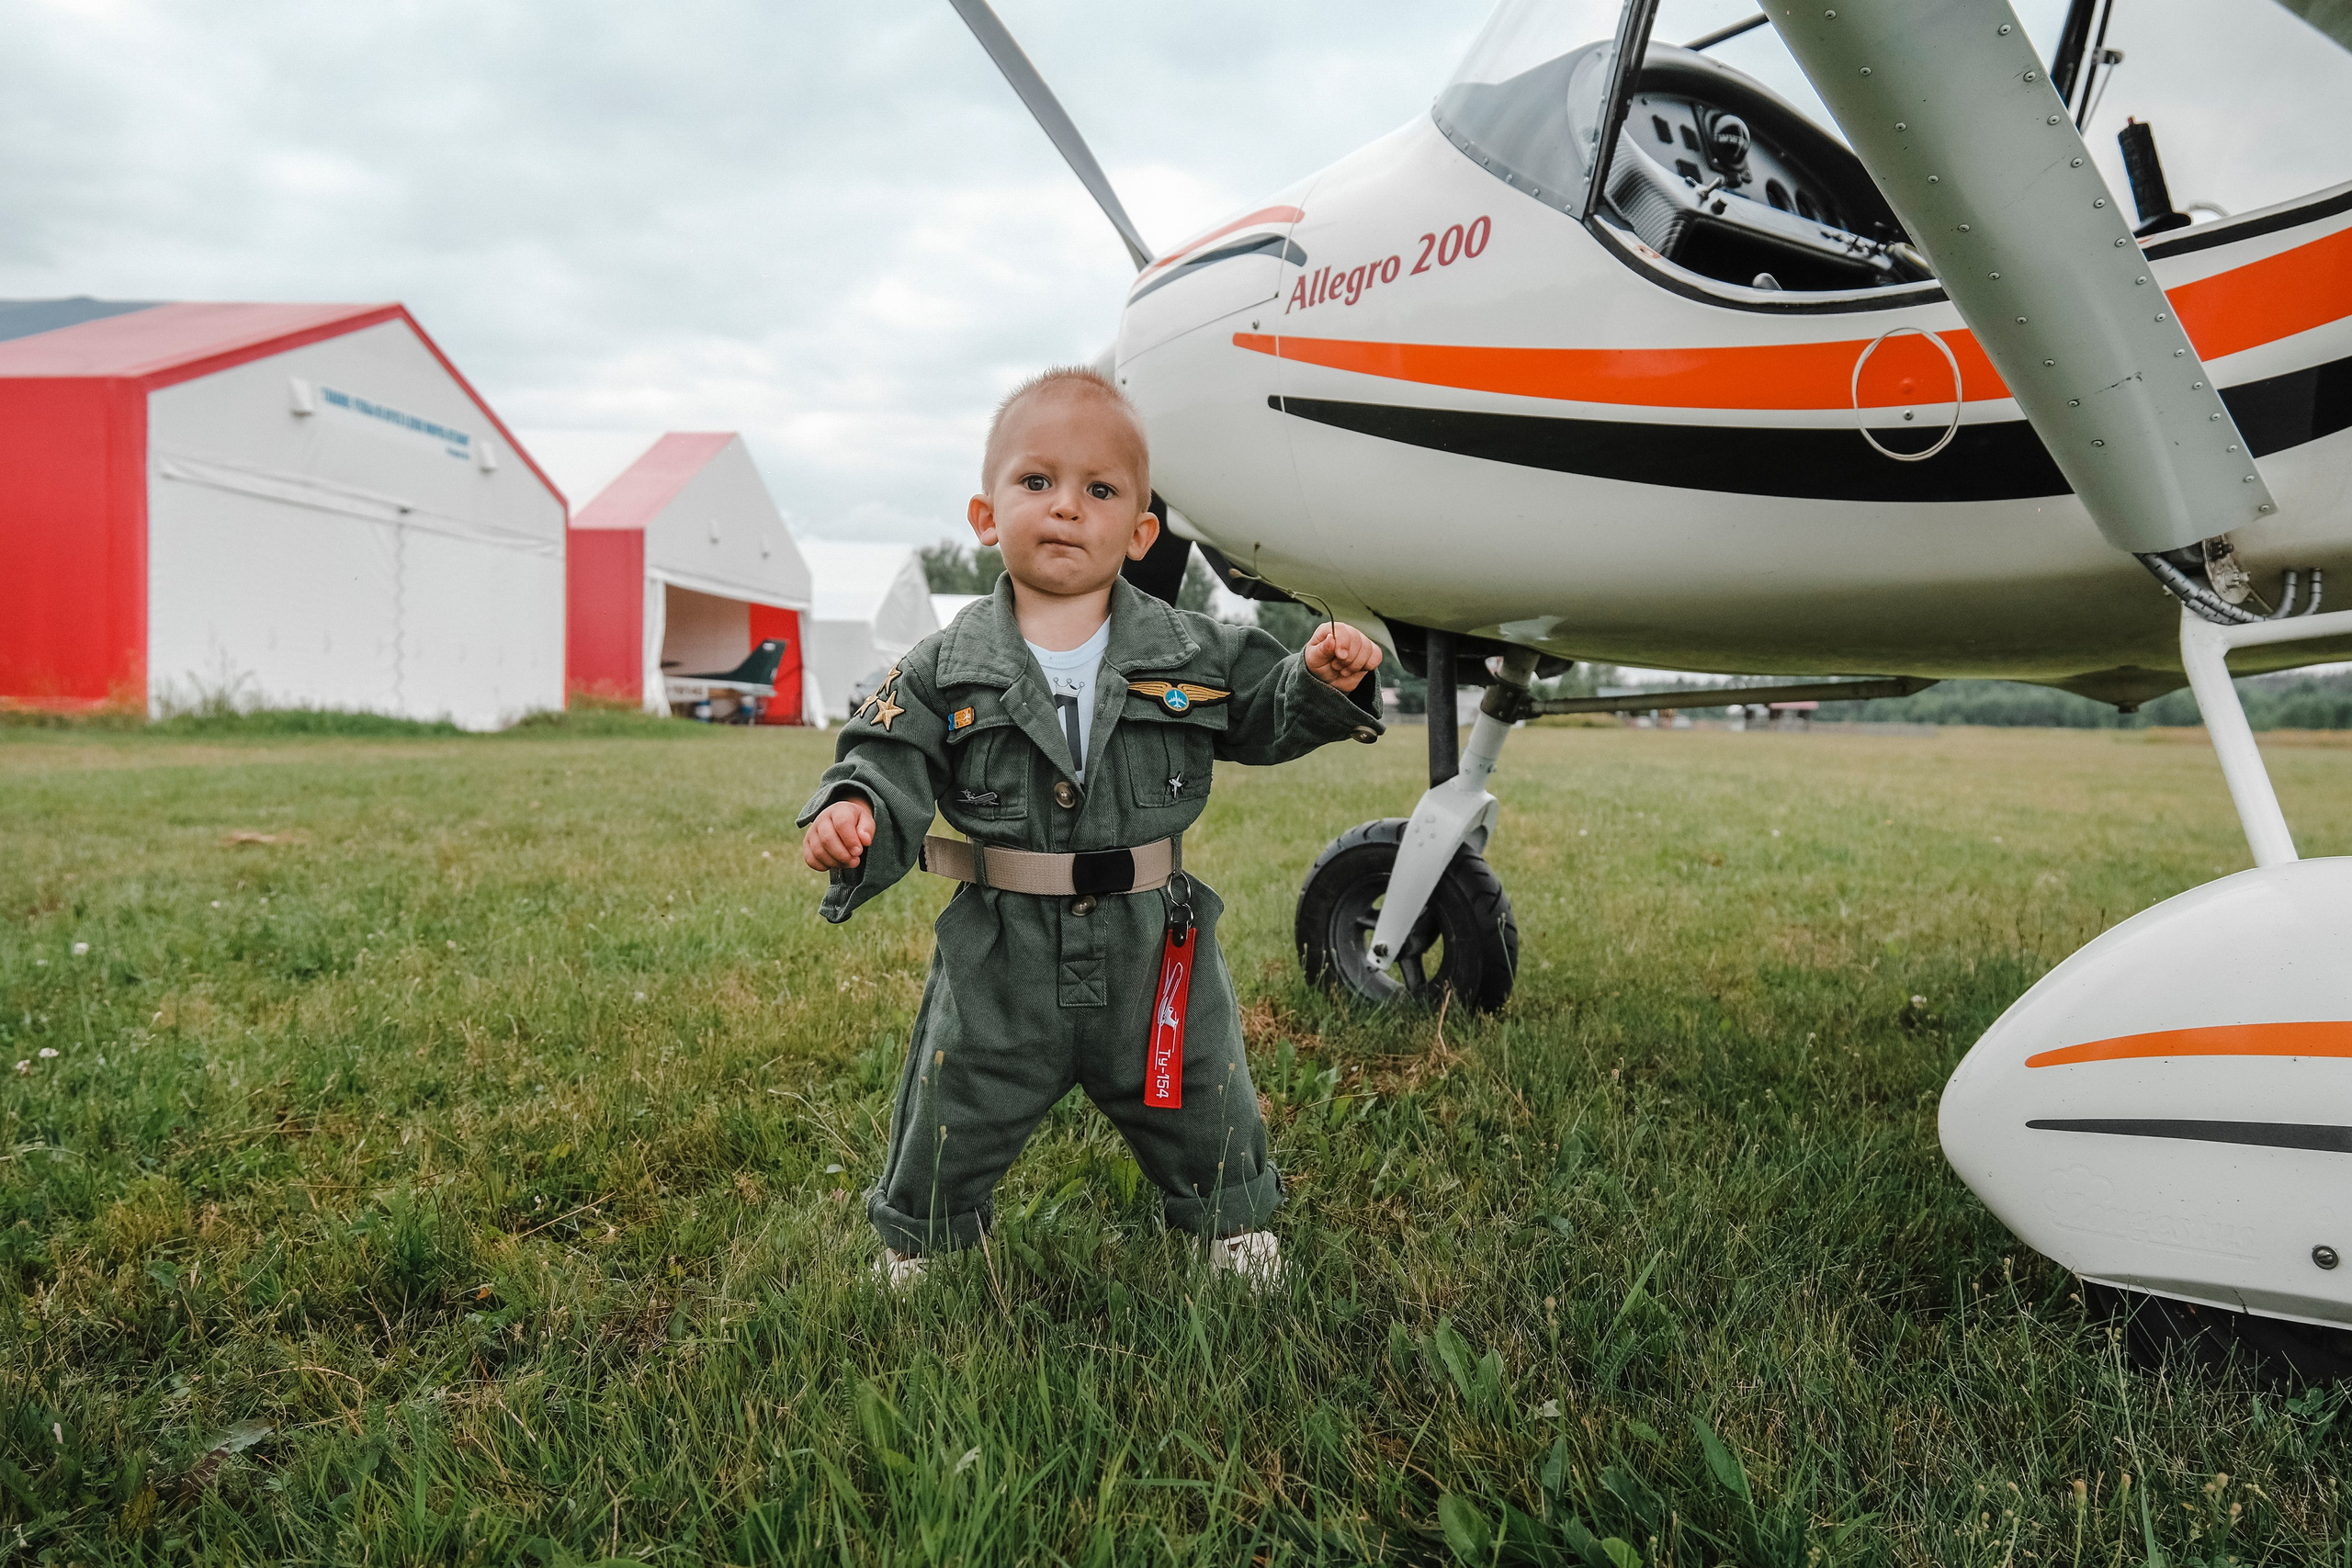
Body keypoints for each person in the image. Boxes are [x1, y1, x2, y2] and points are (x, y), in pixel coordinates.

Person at [798, 366, 1384, 1290]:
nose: (1067, 508)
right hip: (1000, 951)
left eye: (1099, 490)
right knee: (957, 1093)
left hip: (1152, 941)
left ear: (1141, 531)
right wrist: (853, 811)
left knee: (1200, 1087)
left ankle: (1228, 1222)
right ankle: (923, 1238)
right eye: (1037, 482)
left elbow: (1265, 712)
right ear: (985, 515)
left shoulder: (1194, 650)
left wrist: (1320, 676)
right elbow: (887, 757)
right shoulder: (942, 666)